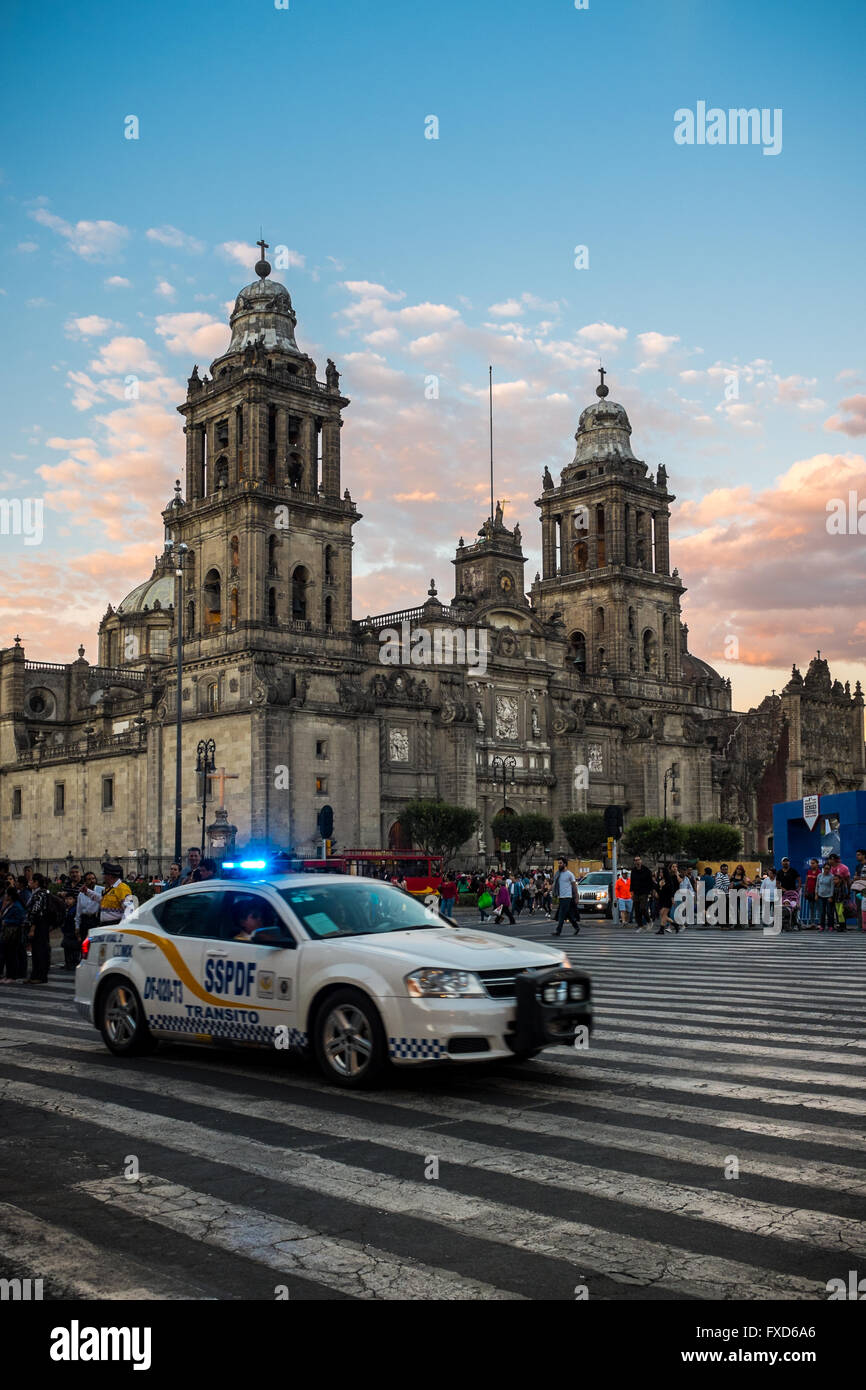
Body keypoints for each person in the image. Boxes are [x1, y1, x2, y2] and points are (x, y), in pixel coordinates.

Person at [24, 873, 53, 984]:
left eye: (31, 880)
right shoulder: (36, 893)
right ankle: (34, 975)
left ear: (36, 882)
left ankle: (41, 976)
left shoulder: (41, 894)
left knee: (40, 951)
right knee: (36, 951)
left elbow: (37, 912)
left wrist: (32, 928)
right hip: (38, 926)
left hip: (39, 926)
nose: (29, 882)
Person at [0, 886, 27, 983]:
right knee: (7, 955)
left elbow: (20, 920)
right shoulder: (9, 904)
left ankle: (12, 976)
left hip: (14, 933)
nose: (5, 895)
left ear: (11, 896)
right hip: (7, 933)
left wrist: (7, 921)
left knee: (12, 955)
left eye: (7, 894)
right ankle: (8, 975)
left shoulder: (17, 906)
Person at [551, 858, 580, 937]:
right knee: (568, 914)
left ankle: (558, 931)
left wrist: (576, 897)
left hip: (567, 897)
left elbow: (574, 886)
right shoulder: (558, 874)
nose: (559, 865)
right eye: (558, 863)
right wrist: (548, 892)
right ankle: (576, 927)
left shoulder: (569, 874)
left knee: (561, 914)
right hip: (561, 896)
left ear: (565, 864)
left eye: (560, 863)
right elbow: (554, 884)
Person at [99, 862, 132, 927]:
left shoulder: (122, 888)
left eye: (104, 875)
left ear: (110, 876)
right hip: (106, 926)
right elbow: (101, 899)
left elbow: (129, 910)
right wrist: (87, 892)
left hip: (115, 926)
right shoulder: (110, 888)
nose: (103, 877)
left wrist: (121, 927)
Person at [630, 855, 654, 931]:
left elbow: (650, 882)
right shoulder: (633, 871)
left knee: (643, 908)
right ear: (634, 862)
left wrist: (650, 891)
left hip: (644, 892)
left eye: (638, 860)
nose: (637, 861)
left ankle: (649, 921)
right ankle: (640, 925)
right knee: (637, 910)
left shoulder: (646, 870)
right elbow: (632, 882)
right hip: (636, 892)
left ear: (641, 861)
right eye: (636, 860)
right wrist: (632, 892)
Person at [76, 871, 102, 942]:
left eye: (93, 878)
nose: (92, 881)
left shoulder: (101, 890)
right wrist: (77, 926)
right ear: (85, 882)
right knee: (85, 942)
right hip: (85, 921)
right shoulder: (81, 894)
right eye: (89, 879)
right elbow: (78, 911)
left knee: (94, 942)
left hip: (95, 921)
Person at [60, 891, 80, 969]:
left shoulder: (76, 909)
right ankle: (68, 963)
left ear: (74, 900)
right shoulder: (66, 908)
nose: (68, 901)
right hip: (66, 931)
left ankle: (74, 963)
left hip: (73, 931)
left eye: (70, 899)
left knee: (74, 947)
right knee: (67, 947)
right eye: (66, 899)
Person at [815, 861, 835, 931]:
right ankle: (822, 926)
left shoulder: (832, 876)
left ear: (830, 869)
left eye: (828, 869)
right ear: (823, 868)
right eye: (825, 868)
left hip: (828, 896)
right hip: (820, 896)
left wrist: (831, 896)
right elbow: (817, 885)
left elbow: (832, 887)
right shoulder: (819, 875)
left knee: (829, 912)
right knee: (822, 912)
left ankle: (831, 925)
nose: (827, 870)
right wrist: (816, 894)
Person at [803, 858, 820, 927]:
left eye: (813, 863)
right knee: (811, 908)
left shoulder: (819, 872)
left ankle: (819, 923)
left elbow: (819, 884)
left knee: (818, 908)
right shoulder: (808, 872)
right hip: (809, 893)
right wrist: (805, 891)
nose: (812, 864)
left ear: (817, 864)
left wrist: (817, 893)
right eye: (811, 863)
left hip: (816, 893)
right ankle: (812, 923)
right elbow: (806, 882)